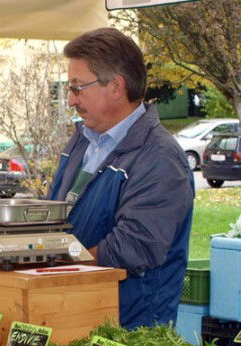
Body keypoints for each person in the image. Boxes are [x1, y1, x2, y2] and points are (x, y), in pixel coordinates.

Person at [48, 27, 194, 329]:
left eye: (77, 88)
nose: (71, 101)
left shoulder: (160, 157)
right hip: (73, 317)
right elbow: (54, 216)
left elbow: (134, 247)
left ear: (116, 86)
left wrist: (58, 266)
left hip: (128, 331)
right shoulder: (81, 142)